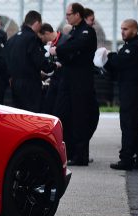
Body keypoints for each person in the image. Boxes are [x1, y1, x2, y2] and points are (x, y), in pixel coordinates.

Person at [53, 3, 98, 166]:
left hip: (81, 81)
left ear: (78, 14)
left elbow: (76, 46)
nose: (67, 17)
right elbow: (69, 51)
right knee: (62, 114)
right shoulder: (73, 31)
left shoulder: (87, 31)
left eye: (69, 14)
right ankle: (67, 151)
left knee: (80, 117)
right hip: (68, 78)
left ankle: (80, 155)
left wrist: (58, 50)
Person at [102, 19, 138, 170]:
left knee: (129, 125)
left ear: (134, 30)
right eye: (121, 29)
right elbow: (117, 65)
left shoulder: (135, 47)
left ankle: (126, 159)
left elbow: (119, 61)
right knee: (135, 125)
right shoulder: (128, 46)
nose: (122, 32)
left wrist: (108, 56)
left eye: (126, 29)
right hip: (130, 90)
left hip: (133, 91)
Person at [6, 11, 57, 112]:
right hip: (30, 85)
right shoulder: (32, 38)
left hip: (15, 84)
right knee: (32, 115)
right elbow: (40, 61)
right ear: (37, 23)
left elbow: (6, 61)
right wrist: (53, 65)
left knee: (18, 114)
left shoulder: (12, 39)